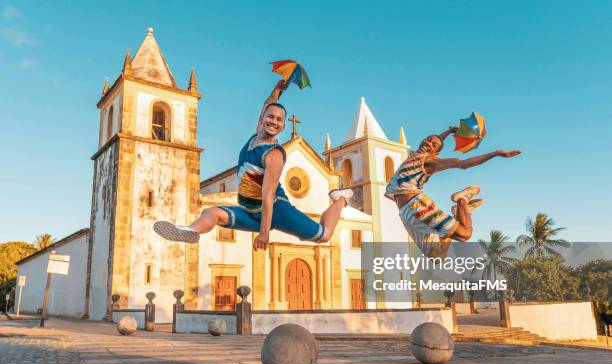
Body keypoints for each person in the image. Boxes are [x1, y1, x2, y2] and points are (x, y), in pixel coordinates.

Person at [154, 79, 353, 250]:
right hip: (250, 211)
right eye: (270, 117)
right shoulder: (256, 136)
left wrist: (264, 233)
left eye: (278, 120)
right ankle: (189, 231)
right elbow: (267, 104)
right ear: (263, 119)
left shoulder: (273, 154)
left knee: (324, 235)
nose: (273, 122)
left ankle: (341, 199)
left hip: (276, 210)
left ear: (283, 126)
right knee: (211, 213)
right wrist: (277, 90)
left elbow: (267, 195)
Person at [385, 126, 521, 257]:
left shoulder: (430, 162)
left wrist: (495, 153)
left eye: (433, 144)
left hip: (417, 207)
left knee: (465, 234)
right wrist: (449, 131)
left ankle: (462, 200)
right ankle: (459, 213)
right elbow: (437, 139)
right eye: (427, 139)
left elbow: (463, 164)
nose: (428, 142)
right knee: (436, 255)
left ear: (435, 153)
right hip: (404, 211)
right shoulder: (414, 155)